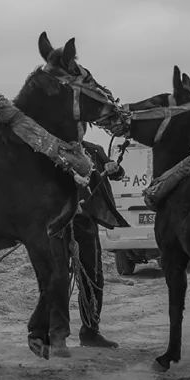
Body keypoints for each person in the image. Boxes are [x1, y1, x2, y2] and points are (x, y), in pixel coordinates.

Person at [72, 140, 126, 348]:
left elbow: (116, 174)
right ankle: (51, 333)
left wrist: (115, 167)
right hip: (57, 223)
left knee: (93, 277)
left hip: (86, 224)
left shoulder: (94, 150)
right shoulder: (51, 150)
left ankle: (90, 331)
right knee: (54, 278)